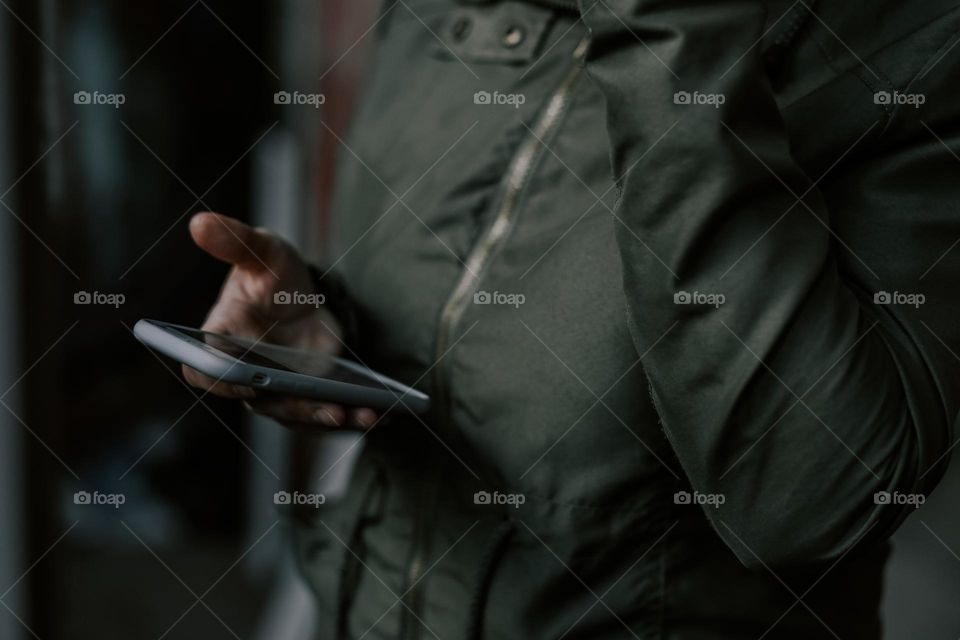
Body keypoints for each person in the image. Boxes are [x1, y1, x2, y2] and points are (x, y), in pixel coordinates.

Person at [185, 0, 960, 637]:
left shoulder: (916, 46)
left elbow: (812, 502)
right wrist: (327, 324)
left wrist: (671, 37)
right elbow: (471, 294)